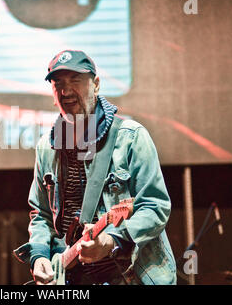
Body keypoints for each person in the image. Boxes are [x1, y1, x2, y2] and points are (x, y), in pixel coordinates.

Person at [13, 50, 176, 285]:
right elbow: (42, 215)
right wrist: (39, 255)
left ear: (96, 84)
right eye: (58, 83)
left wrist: (112, 240)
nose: (66, 91)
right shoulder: (46, 148)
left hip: (128, 275)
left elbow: (155, 206)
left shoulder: (131, 137)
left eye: (75, 80)